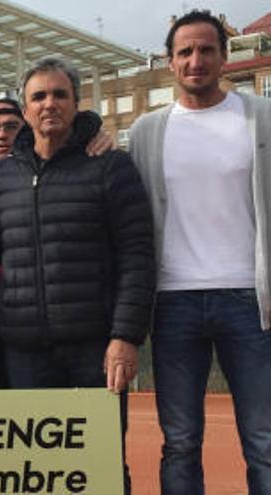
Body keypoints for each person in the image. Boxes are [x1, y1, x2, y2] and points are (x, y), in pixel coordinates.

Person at [0, 57, 155, 493]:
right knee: (36, 472)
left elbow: (138, 255)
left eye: (59, 94)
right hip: (25, 353)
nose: (49, 104)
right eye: (38, 97)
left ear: (76, 102)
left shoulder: (110, 165)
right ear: (24, 110)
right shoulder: (3, 175)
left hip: (95, 349)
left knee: (99, 465)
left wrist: (125, 336)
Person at [129, 11, 271, 494]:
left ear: (224, 58)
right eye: (185, 51)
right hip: (173, 303)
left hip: (250, 301)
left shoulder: (261, 117)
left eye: (206, 49)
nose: (196, 60)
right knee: (182, 441)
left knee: (264, 440)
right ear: (169, 62)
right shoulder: (146, 131)